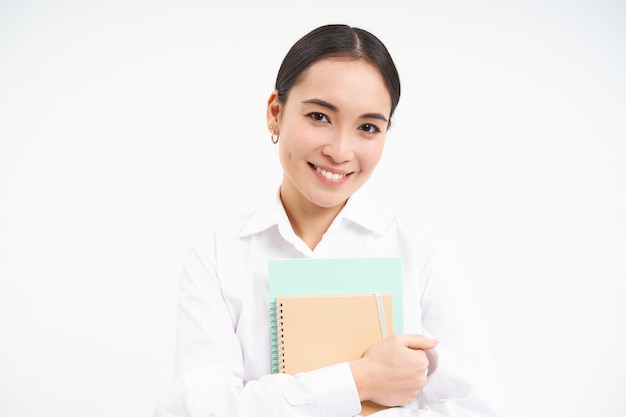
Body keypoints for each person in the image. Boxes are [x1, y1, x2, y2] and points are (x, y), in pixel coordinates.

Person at [155, 24, 500, 417]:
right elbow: (195, 410)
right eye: (320, 116)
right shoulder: (217, 258)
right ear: (275, 113)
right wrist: (361, 380)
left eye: (368, 127)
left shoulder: (421, 256)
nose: (340, 150)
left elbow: (473, 408)